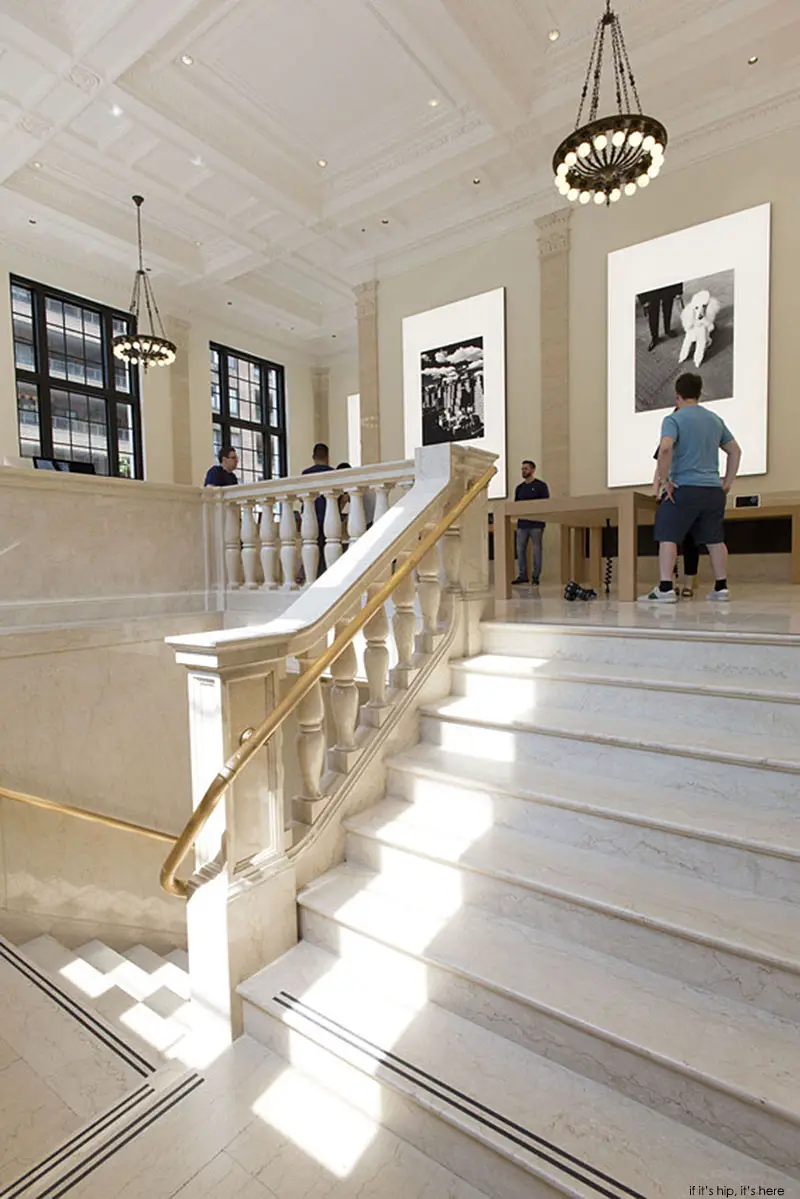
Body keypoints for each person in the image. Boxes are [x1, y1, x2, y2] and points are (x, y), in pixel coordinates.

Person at [639, 372, 741, 604]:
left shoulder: (673, 419)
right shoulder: (715, 419)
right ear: (699, 393)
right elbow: (735, 451)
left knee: (668, 536)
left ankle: (665, 588)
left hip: (684, 488)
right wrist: (726, 483)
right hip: (713, 491)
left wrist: (664, 481)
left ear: (677, 396)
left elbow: (665, 448)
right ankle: (721, 587)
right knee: (715, 539)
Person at [652, 424, 699, 597]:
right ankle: (669, 580)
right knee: (667, 539)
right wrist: (656, 491)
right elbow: (658, 469)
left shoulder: (692, 443)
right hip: (670, 493)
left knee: (690, 539)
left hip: (686, 490)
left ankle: (688, 583)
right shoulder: (667, 441)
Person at [512, 460, 550, 586]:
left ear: (533, 470)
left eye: (526, 468)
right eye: (522, 469)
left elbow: (545, 504)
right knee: (520, 549)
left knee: (536, 550)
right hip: (522, 524)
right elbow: (516, 505)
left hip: (536, 524)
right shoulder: (519, 488)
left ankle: (535, 576)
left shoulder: (541, 486)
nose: (523, 471)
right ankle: (522, 575)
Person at [302, 443, 335, 576]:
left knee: (311, 548)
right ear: (327, 456)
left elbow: (302, 497)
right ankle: (327, 574)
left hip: (311, 517)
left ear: (313, 456)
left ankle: (312, 575)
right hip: (329, 517)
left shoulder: (306, 474)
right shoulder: (333, 473)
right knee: (329, 548)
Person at [639, 282, 683, 352]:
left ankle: (667, 330)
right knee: (653, 315)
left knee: (668, 308)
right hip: (651, 289)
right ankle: (655, 338)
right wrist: (643, 299)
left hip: (667, 286)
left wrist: (678, 290)